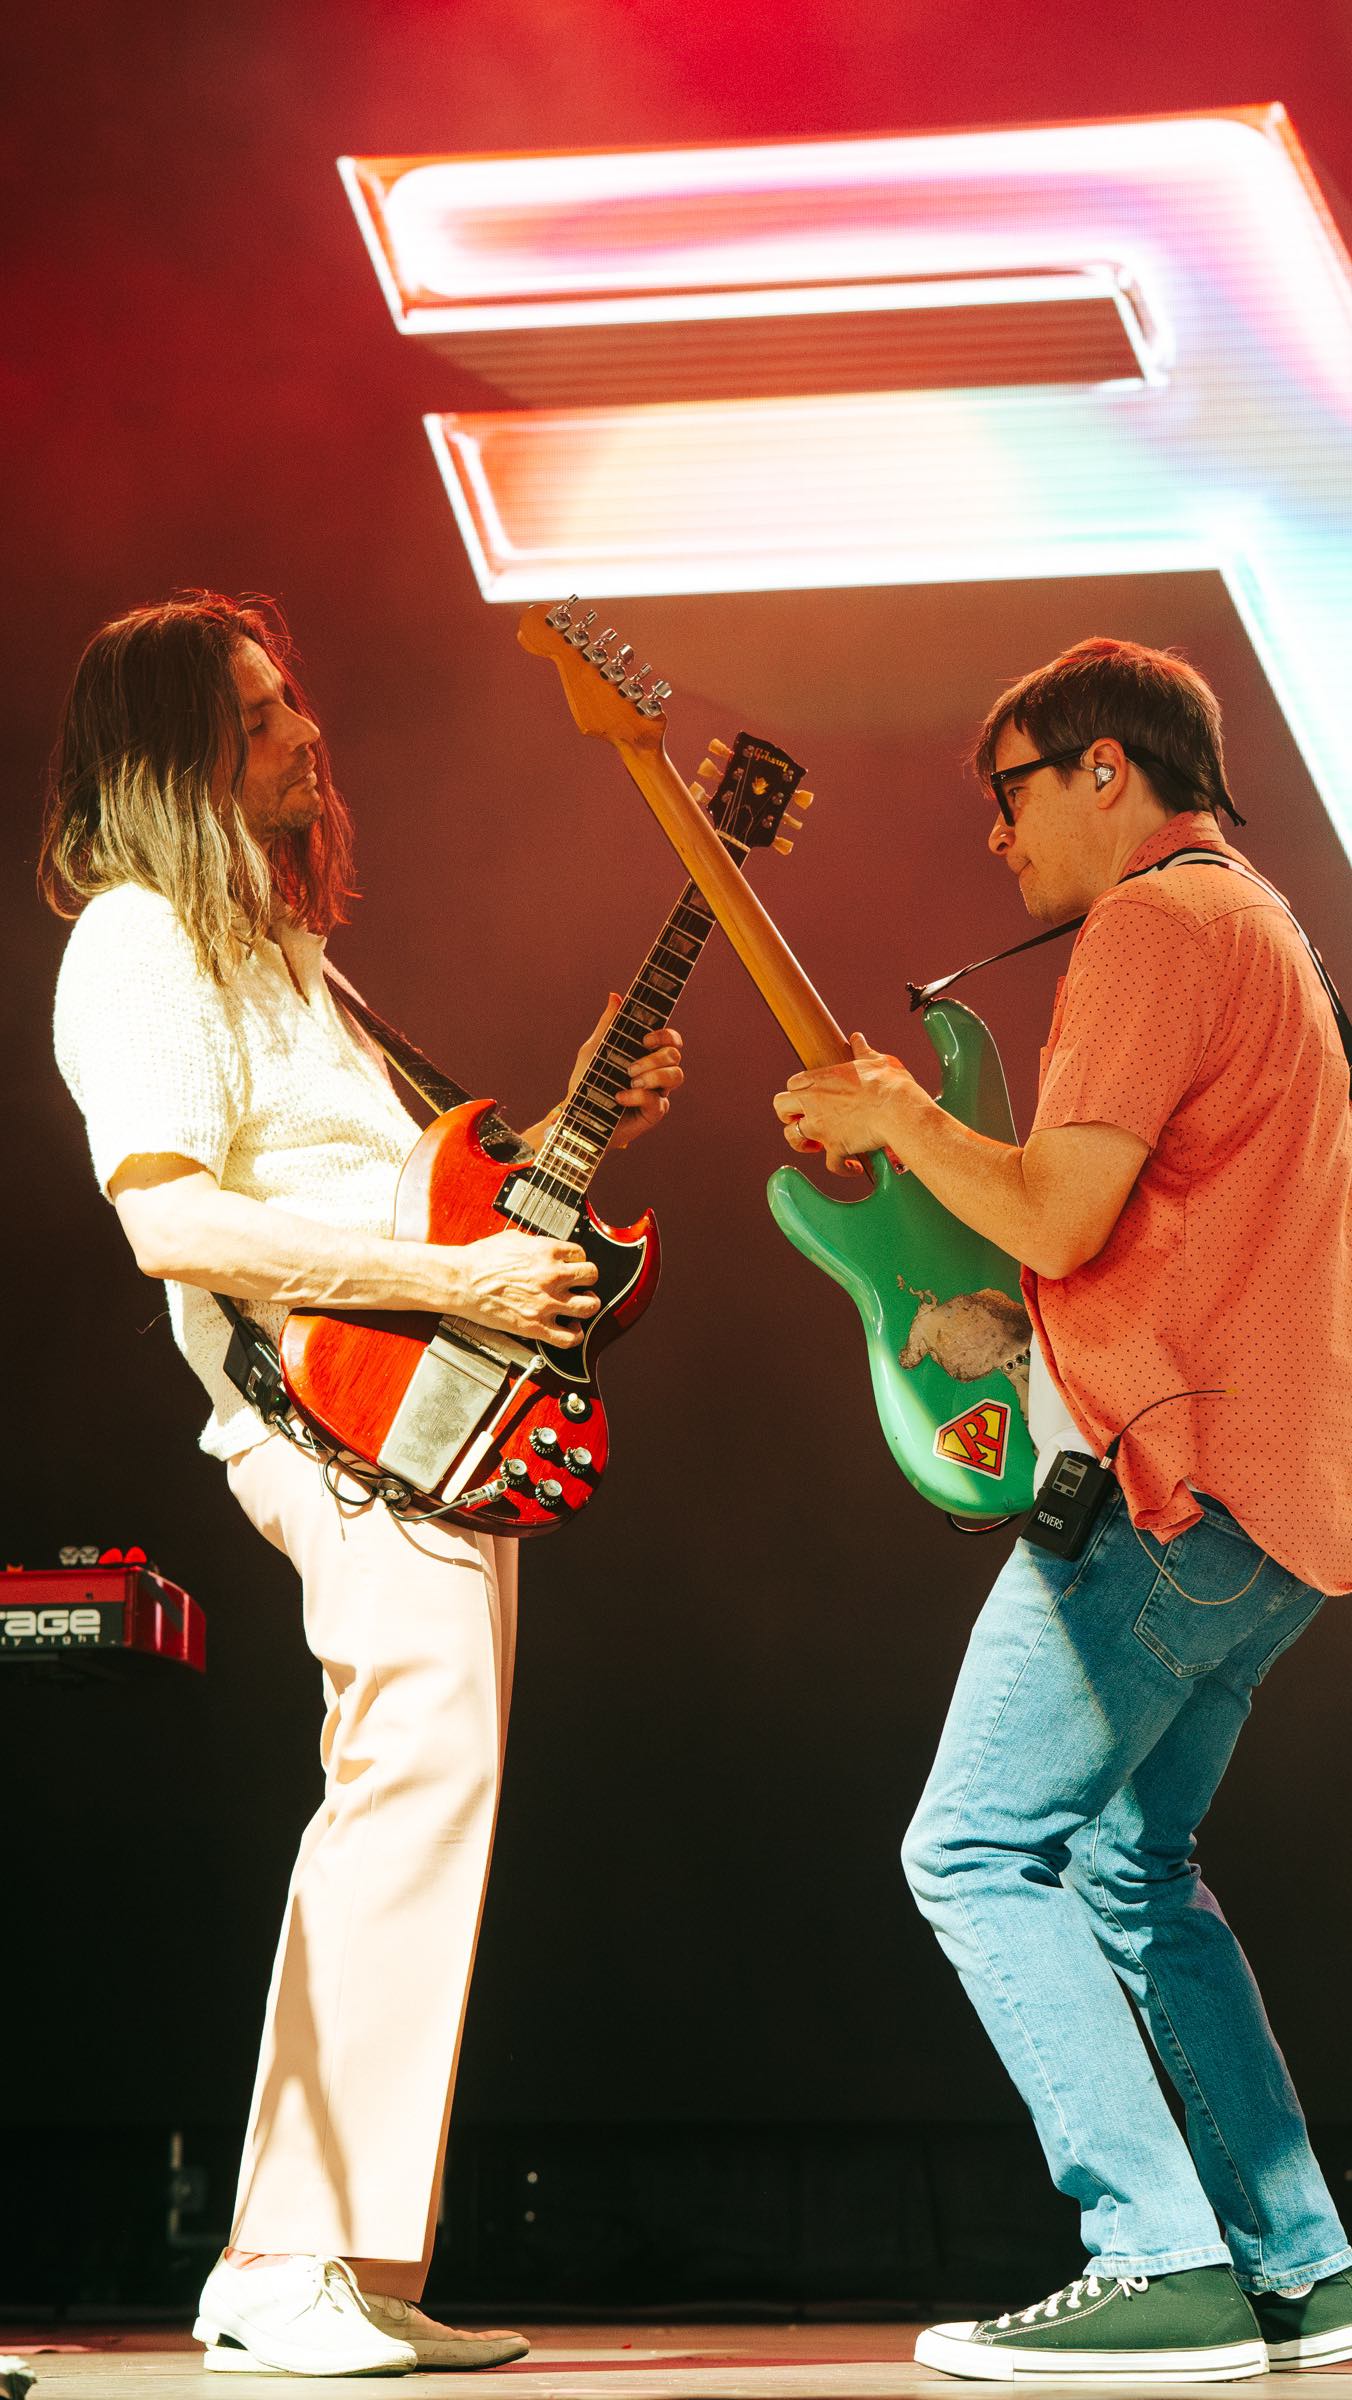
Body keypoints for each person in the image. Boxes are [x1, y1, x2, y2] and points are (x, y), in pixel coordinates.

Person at [44, 592, 685, 2379]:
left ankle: (350, 2260)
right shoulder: (139, 938)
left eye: (290, 695)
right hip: (332, 1424)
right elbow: (173, 1220)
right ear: (175, 758)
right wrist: (460, 1280)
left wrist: (568, 1124)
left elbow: (393, 1189)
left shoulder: (280, 951)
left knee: (428, 1792)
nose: (302, 730)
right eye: (257, 714)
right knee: (407, 1785)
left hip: (420, 1414)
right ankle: (278, 2264)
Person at [774, 638, 1352, 2382]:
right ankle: (1300, 2267)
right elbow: (1167, 1242)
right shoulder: (1265, 929)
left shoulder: (1157, 924)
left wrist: (896, 1112)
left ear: (1110, 769)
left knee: (969, 1848)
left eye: (1011, 791)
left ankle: (1158, 2259)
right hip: (1278, 1514)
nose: (997, 835)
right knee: (1130, 1863)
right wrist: (1004, 1327)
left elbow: (1058, 1212)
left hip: (1168, 1500)